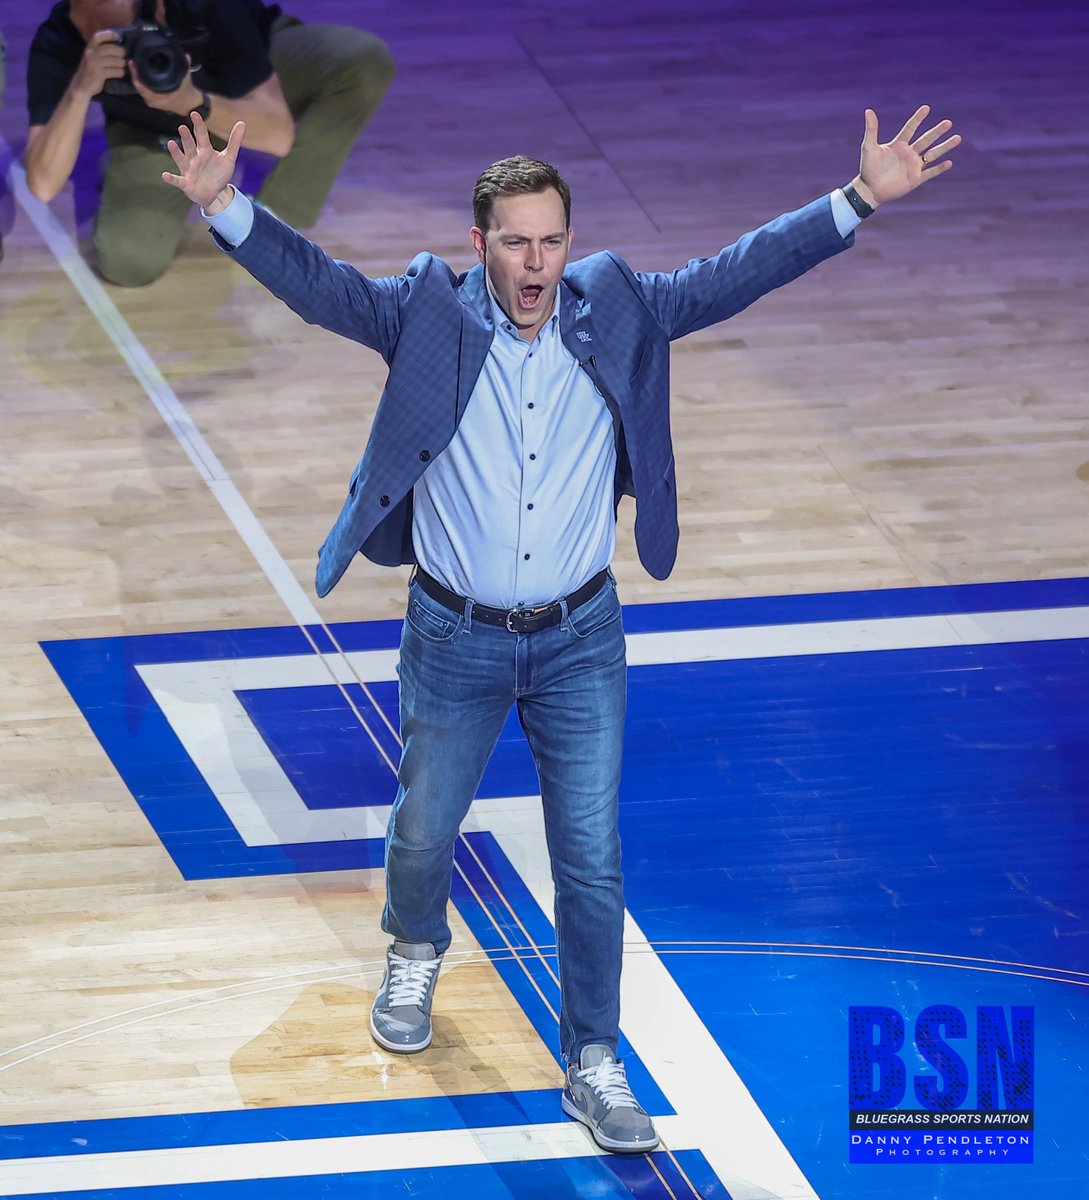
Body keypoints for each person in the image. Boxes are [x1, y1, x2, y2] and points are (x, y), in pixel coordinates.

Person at [161, 103, 959, 1153]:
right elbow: (325, 290)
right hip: (455, 637)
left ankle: (593, 1057)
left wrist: (856, 199)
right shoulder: (430, 313)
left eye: (551, 241)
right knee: (425, 827)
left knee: (591, 858)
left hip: (582, 638)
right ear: (479, 244)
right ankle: (413, 947)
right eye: (515, 242)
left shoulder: (616, 304)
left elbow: (733, 273)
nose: (535, 263)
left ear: (568, 246)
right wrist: (223, 203)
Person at [24, 0, 395, 285]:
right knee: (129, 263)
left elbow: (279, 137)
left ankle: (278, 221)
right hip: (153, 128)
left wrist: (192, 100)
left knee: (361, 63)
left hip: (250, 69)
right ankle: (128, 169)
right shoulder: (59, 40)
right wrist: (78, 89)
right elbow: (41, 185)